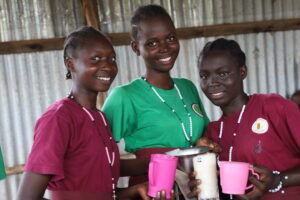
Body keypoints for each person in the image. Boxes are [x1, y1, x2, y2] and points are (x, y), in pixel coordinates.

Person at [16, 26, 173, 200]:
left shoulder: (99, 117)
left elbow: (100, 189)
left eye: (111, 58)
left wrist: (135, 190)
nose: (107, 66)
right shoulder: (59, 118)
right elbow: (26, 197)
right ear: (71, 64)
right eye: (95, 59)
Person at [102, 4, 210, 186]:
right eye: (152, 43)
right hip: (153, 190)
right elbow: (98, 161)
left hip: (198, 187)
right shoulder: (124, 96)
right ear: (136, 48)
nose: (165, 48)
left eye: (170, 38)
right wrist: (162, 163)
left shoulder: (187, 87)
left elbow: (205, 136)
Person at [190, 38, 300, 200]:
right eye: (204, 76)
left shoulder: (273, 107)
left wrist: (278, 179)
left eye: (222, 73)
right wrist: (201, 184)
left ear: (242, 72)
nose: (212, 82)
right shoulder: (213, 133)